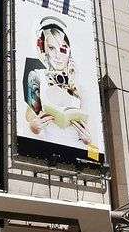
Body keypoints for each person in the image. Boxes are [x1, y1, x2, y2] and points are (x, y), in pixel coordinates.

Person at [23, 18, 91, 148]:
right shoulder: (37, 76)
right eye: (51, 48)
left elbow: (91, 132)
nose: (58, 55)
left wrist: (88, 140)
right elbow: (28, 120)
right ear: (43, 49)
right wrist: (33, 127)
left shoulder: (80, 88)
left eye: (63, 49)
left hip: (77, 151)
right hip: (46, 150)